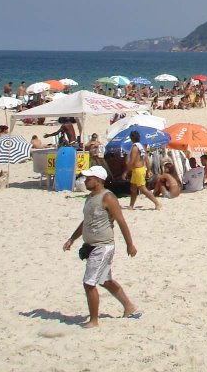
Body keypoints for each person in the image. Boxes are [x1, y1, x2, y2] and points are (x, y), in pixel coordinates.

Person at [62, 166, 140, 326]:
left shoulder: (108, 197)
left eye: (89, 178)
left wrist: (130, 244)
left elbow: (121, 221)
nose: (85, 180)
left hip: (103, 247)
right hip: (91, 245)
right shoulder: (90, 197)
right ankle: (129, 307)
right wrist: (72, 239)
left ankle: (94, 320)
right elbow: (86, 222)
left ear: (98, 180)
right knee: (105, 280)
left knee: (89, 283)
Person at [124, 131, 161, 211]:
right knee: (133, 188)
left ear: (131, 138)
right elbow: (147, 159)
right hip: (140, 169)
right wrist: (149, 170)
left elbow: (132, 161)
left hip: (138, 170)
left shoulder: (134, 148)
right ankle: (131, 206)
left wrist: (126, 172)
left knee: (143, 189)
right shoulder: (141, 146)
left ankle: (157, 203)